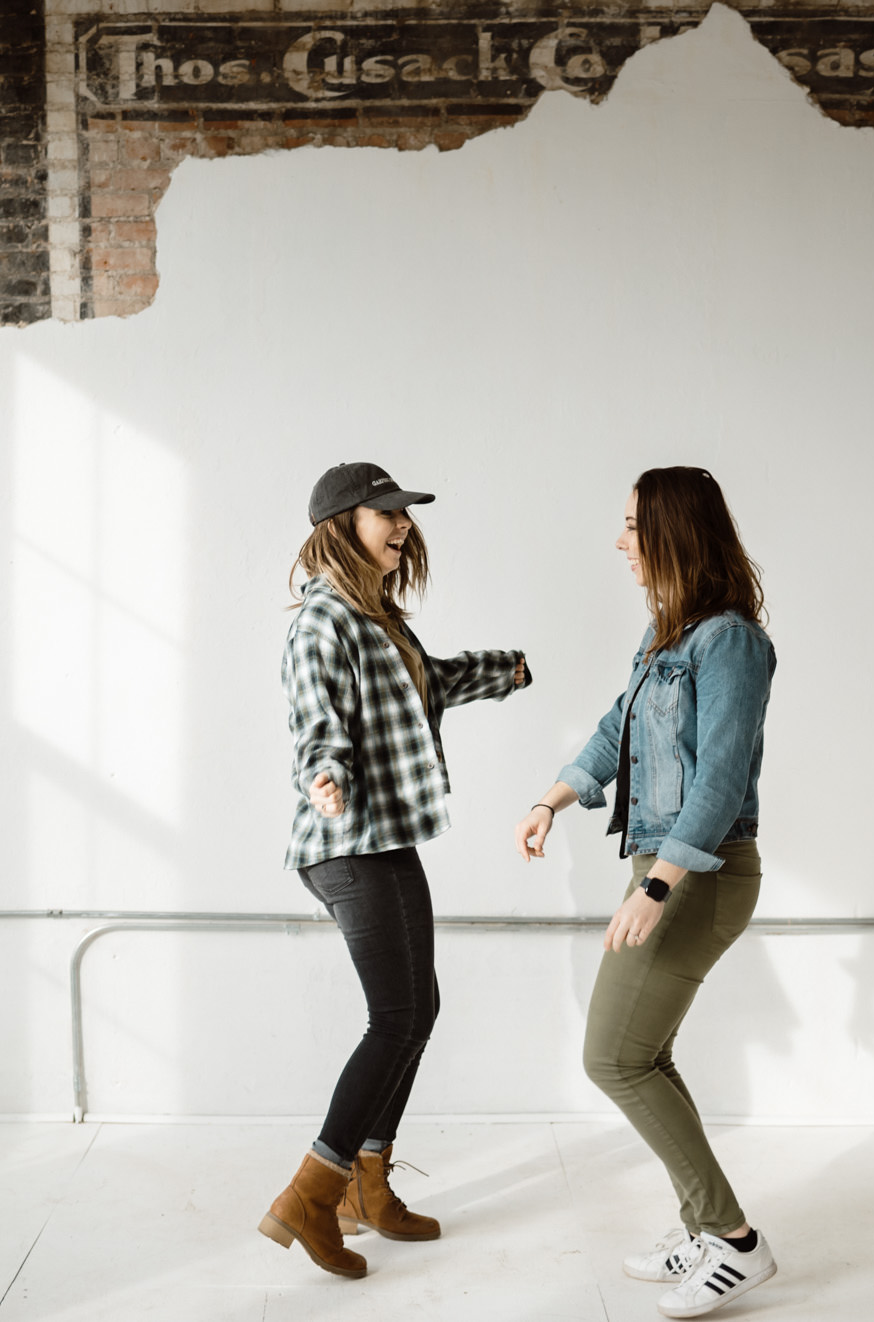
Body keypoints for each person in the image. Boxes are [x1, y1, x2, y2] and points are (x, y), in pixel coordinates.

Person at [513, 466, 777, 1319]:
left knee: (613, 1059)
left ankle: (735, 1244)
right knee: (644, 1057)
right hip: (667, 869)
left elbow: (720, 777)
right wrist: (551, 798)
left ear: (673, 532)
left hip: (700, 872)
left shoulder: (728, 642)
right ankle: (706, 1226)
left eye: (632, 526)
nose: (620, 542)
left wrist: (657, 886)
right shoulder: (669, 637)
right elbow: (612, 726)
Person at [258, 461, 532, 1280]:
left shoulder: (380, 621)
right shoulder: (321, 624)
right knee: (394, 1016)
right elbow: (318, 723)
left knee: (421, 1007)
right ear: (342, 526)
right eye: (387, 513)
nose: (403, 525)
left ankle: (367, 1186)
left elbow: (430, 686)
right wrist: (325, 774)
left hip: (386, 836)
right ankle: (312, 1191)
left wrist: (506, 670)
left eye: (405, 514)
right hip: (343, 842)